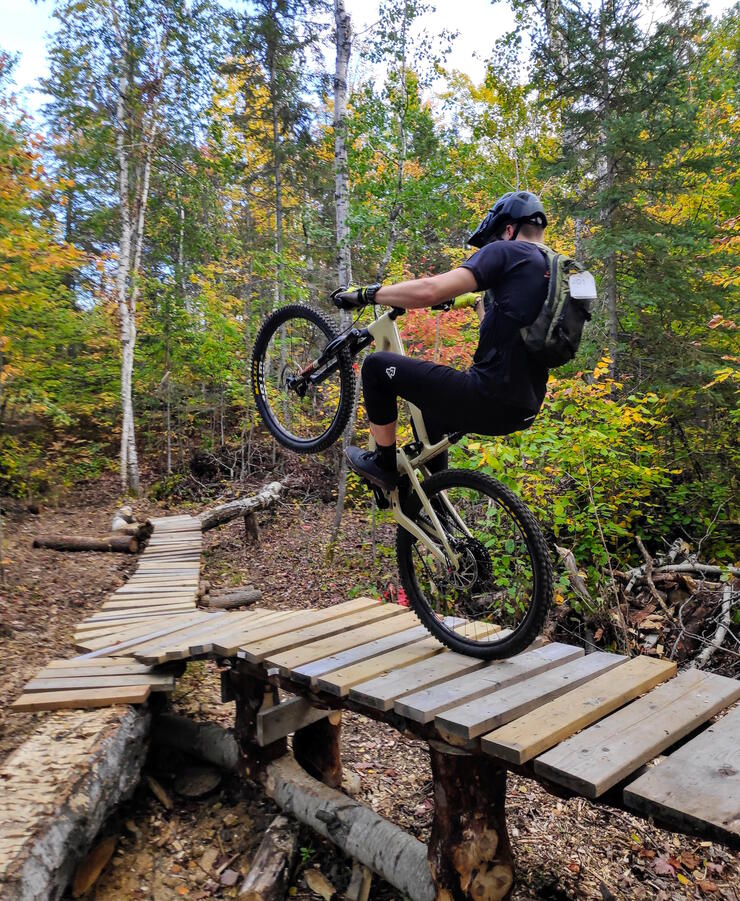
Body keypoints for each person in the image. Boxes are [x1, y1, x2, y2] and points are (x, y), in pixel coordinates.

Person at [332, 190, 551, 492]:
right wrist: (476, 302)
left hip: (486, 395)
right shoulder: (555, 268)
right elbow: (513, 326)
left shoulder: (506, 252)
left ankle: (383, 465)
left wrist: (367, 294)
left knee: (374, 366)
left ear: (509, 230)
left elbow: (429, 291)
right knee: (429, 414)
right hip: (523, 407)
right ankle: (438, 506)